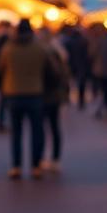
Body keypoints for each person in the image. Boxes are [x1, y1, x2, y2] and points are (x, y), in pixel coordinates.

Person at [0, 20, 55, 179]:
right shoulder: (39, 48)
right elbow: (50, 70)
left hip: (13, 92)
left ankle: (16, 166)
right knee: (37, 131)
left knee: (16, 132)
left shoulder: (8, 48)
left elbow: (0, 68)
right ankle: (36, 165)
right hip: (35, 93)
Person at [41, 28, 72, 172]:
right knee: (54, 127)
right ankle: (55, 158)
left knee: (42, 127)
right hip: (56, 95)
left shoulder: (43, 52)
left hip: (43, 94)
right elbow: (65, 75)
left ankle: (41, 158)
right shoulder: (60, 52)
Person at [62, 25, 92, 110]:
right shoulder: (84, 41)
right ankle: (81, 100)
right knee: (81, 84)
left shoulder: (68, 42)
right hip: (81, 66)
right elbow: (88, 55)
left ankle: (67, 98)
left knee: (69, 82)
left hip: (71, 65)